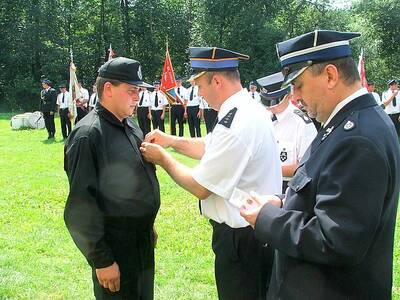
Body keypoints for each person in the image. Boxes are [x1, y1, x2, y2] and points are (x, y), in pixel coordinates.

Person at [240, 30, 400, 299]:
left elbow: (336, 240)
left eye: (298, 85)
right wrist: (282, 201)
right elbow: (323, 191)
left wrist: (266, 218)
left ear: (330, 75)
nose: (293, 97)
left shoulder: (357, 137)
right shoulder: (345, 123)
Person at [140, 47, 282, 300]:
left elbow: (200, 187)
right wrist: (170, 140)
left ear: (217, 80)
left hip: (242, 239)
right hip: (253, 234)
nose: (200, 94)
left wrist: (163, 158)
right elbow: (210, 146)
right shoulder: (244, 110)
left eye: (200, 86)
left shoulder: (237, 121)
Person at [64, 57, 160, 299]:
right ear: (108, 89)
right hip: (115, 247)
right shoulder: (88, 135)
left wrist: (148, 223)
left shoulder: (130, 125)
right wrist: (102, 260)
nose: (137, 97)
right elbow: (80, 206)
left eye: (138, 90)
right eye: (131, 90)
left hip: (142, 241)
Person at [257, 72, 317, 192]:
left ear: (289, 95)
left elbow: (308, 166)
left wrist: (269, 169)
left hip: (289, 187)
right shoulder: (262, 117)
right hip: (261, 185)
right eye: (266, 102)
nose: (270, 107)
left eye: (274, 102)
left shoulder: (301, 124)